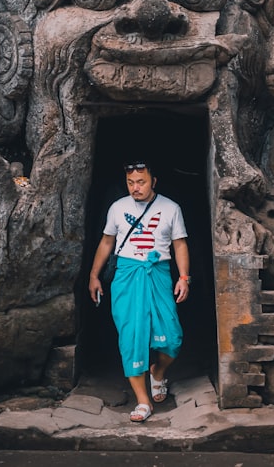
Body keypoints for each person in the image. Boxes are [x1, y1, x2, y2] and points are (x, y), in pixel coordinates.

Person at [89, 161, 191, 423]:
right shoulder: (118, 208)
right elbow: (106, 242)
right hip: (126, 275)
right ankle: (143, 401)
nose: (136, 188)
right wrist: (94, 276)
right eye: (131, 183)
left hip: (157, 273)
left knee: (172, 338)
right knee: (131, 337)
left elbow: (179, 245)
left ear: (153, 181)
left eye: (141, 182)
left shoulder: (171, 208)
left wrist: (183, 277)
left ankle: (158, 373)